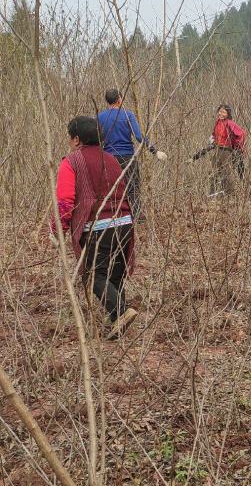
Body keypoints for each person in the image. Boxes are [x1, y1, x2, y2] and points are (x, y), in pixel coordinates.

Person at [52, 116, 137, 338]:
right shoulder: (110, 158)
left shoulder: (70, 162)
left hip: (97, 227)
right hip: (125, 223)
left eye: (70, 138)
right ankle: (118, 322)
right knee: (114, 276)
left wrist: (57, 229)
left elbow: (65, 201)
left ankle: (120, 312)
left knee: (93, 275)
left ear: (77, 139)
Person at [97, 88, 166, 219]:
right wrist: (154, 151)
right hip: (127, 157)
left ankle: (114, 215)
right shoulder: (127, 115)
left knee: (111, 188)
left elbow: (97, 139)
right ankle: (137, 215)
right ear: (119, 100)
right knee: (132, 186)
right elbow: (139, 137)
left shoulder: (100, 117)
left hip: (108, 158)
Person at [195, 104, 247, 196]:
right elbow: (215, 134)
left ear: (228, 114)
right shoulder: (218, 122)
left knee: (227, 171)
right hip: (218, 149)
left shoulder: (230, 123)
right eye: (220, 111)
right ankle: (212, 193)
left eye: (223, 112)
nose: (221, 113)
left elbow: (241, 134)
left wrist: (238, 147)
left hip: (227, 150)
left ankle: (230, 192)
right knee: (213, 171)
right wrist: (212, 138)